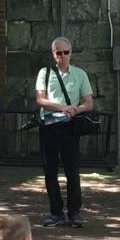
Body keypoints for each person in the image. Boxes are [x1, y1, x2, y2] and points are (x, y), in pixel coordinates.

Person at [34, 37, 94, 228]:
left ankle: (74, 212)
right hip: (49, 126)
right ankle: (56, 212)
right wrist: (62, 107)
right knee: (50, 171)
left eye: (65, 52)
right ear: (53, 54)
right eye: (58, 53)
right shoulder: (44, 73)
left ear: (71, 53)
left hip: (70, 127)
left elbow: (89, 102)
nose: (62, 56)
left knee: (72, 171)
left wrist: (75, 110)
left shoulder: (80, 74)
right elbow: (40, 100)